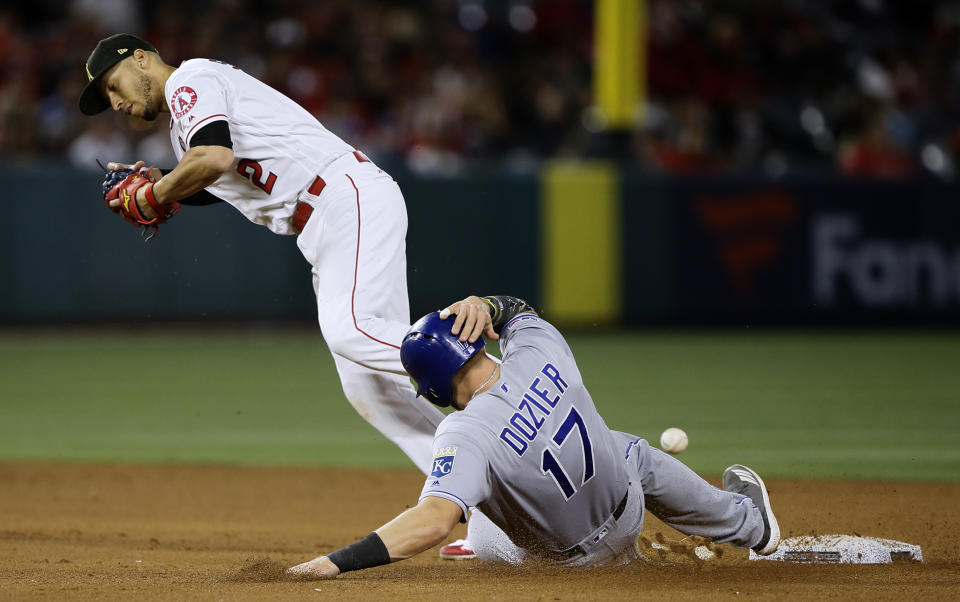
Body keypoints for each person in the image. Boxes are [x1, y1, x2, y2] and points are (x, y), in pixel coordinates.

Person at [77, 34, 445, 477]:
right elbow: (212, 174)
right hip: (326, 220)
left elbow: (213, 157)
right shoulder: (184, 131)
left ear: (140, 59)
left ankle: (499, 379)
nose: (115, 102)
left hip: (343, 196)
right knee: (369, 386)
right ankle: (483, 500)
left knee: (353, 332)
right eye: (106, 98)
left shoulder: (190, 78)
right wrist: (163, 180)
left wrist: (154, 193)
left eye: (113, 86)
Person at [287, 295, 781, 577]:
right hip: (625, 507)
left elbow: (434, 520)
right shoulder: (538, 349)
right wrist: (485, 303)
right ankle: (750, 526)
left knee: (474, 502)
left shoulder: (464, 433)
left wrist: (336, 562)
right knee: (631, 451)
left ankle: (480, 541)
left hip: (571, 563)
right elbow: (516, 309)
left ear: (432, 386)